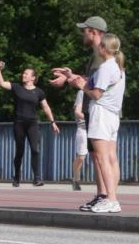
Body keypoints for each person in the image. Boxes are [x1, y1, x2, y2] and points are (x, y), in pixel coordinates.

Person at [50, 16, 109, 210]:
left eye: (85, 30)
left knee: (103, 156)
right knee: (96, 156)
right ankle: (102, 195)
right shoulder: (97, 55)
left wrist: (74, 81)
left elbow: (97, 85)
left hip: (101, 109)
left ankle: (108, 197)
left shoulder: (102, 55)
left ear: (94, 32)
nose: (82, 33)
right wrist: (69, 77)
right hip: (96, 109)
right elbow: (91, 80)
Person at [67, 33, 126, 213]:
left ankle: (111, 199)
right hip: (112, 115)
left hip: (102, 114)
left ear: (103, 48)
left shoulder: (106, 68)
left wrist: (82, 87)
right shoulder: (118, 67)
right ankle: (111, 198)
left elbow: (96, 94)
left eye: (100, 45)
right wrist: (75, 77)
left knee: (101, 158)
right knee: (110, 157)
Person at [0, 61, 59, 186]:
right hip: (19, 123)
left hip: (32, 123)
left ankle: (37, 178)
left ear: (33, 78)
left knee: (35, 149)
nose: (23, 75)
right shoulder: (17, 87)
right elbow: (2, 83)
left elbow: (46, 107)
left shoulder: (39, 92)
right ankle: (16, 177)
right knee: (20, 151)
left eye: (26, 74)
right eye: (23, 73)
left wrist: (52, 121)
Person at [71, 89, 87, 191]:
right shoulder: (82, 92)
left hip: (97, 128)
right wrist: (90, 118)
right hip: (83, 128)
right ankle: (75, 179)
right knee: (81, 157)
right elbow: (77, 112)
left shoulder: (102, 90)